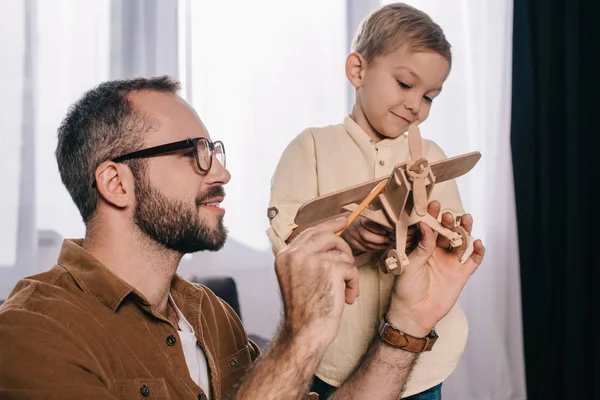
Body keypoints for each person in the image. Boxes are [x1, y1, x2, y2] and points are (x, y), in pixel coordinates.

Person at [0, 76, 484, 400]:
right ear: (116, 183)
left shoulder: (210, 313)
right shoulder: (30, 333)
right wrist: (300, 336)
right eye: (196, 153)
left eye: (216, 150)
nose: (224, 173)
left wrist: (410, 323)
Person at [266, 3, 470, 398]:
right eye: (406, 85)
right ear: (358, 71)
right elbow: (286, 242)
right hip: (333, 358)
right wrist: (349, 236)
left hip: (419, 361)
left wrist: (447, 235)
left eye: (430, 96)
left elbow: (453, 228)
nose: (416, 105)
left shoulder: (431, 156)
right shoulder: (310, 147)